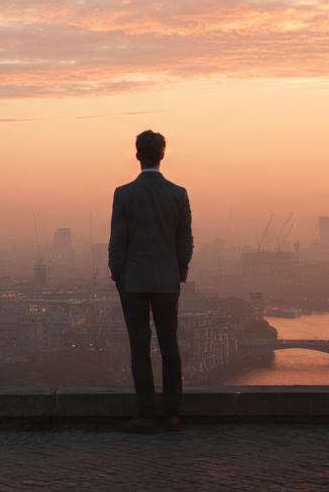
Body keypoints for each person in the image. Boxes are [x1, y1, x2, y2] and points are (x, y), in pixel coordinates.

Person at [107, 129, 193, 434]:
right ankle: (173, 415)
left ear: (137, 155)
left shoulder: (124, 194)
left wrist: (117, 274)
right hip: (167, 282)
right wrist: (178, 274)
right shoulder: (178, 193)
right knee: (170, 347)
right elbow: (185, 243)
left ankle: (145, 414)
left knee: (139, 349)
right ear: (162, 155)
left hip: (133, 282)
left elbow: (118, 242)